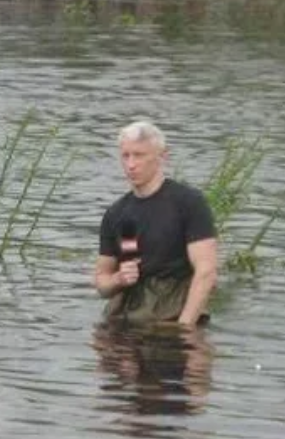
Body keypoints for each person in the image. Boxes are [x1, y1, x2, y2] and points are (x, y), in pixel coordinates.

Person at [93, 120, 218, 326]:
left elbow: (206, 272)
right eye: (125, 156)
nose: (131, 165)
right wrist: (118, 279)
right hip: (125, 315)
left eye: (139, 155)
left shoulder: (188, 202)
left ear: (162, 157)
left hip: (173, 314)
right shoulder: (116, 213)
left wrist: (184, 328)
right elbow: (102, 282)